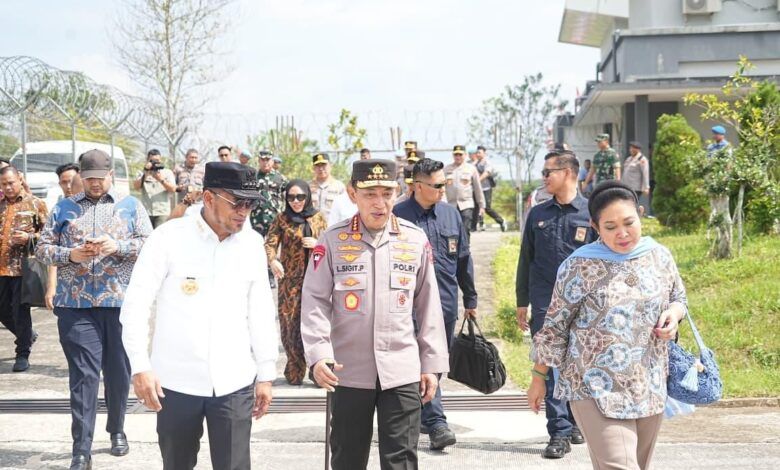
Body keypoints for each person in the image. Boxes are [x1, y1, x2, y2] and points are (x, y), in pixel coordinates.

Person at [120, 162, 278, 470]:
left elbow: (260, 309)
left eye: (250, 203)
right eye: (237, 202)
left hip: (235, 382)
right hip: (176, 383)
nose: (244, 211)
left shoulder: (252, 244)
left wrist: (267, 372)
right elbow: (136, 305)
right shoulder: (168, 239)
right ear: (208, 198)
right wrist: (140, 366)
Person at [528, 180, 688, 470]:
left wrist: (674, 316)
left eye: (629, 222)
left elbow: (678, 297)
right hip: (593, 385)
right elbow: (554, 327)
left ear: (640, 213)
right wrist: (538, 377)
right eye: (611, 226)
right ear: (594, 226)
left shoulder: (658, 255)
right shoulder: (579, 265)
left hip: (648, 382)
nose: (623, 234)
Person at [301, 159, 449, 470]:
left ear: (399, 193)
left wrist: (432, 364)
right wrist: (318, 355)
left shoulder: (414, 239)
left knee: (401, 461)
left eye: (387, 193)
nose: (379, 203)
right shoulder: (332, 240)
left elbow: (428, 304)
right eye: (370, 194)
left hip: (402, 370)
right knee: (347, 458)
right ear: (353, 194)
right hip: (348, 370)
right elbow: (314, 300)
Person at [36, 149, 152, 470]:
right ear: (80, 178)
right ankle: (81, 449)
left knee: (118, 373)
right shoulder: (63, 208)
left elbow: (150, 243)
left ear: (110, 175)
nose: (95, 184)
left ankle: (117, 429)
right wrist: (70, 255)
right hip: (76, 305)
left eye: (100, 179)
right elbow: (42, 248)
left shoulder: (130, 207)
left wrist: (119, 246)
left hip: (119, 304)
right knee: (84, 376)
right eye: (89, 179)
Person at [516, 150, 597, 459]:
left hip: (584, 305)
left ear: (568, 173)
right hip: (544, 302)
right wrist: (521, 300)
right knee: (548, 366)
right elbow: (527, 259)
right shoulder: (538, 214)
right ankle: (559, 431)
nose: (544, 177)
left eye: (549, 171)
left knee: (580, 364)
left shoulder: (591, 212)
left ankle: (576, 420)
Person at [393, 157, 478, 451]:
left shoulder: (451, 215)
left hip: (444, 304)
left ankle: (422, 414)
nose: (443, 189)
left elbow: (463, 258)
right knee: (421, 361)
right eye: (438, 185)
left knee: (437, 362)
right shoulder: (397, 216)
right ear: (418, 185)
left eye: (446, 183)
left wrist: (471, 297)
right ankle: (437, 422)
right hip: (407, 307)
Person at [265, 180, 327, 385]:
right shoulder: (282, 219)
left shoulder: (318, 219)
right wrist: (273, 260)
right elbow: (270, 242)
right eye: (291, 197)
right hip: (290, 283)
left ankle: (318, 368)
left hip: (316, 280)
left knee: (315, 324)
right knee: (290, 325)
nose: (296, 201)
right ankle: (294, 366)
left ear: (308, 196)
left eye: (300, 197)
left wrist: (317, 244)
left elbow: (331, 246)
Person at [0, 166, 47, 372]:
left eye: (11, 182)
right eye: (4, 184)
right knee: (3, 311)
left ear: (20, 179)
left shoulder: (36, 204)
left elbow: (49, 236)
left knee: (20, 312)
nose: (8, 187)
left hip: (22, 269)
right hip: (1, 268)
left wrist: (30, 238)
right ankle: (27, 335)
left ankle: (22, 353)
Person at [45, 164, 84, 310]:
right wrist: (51, 286)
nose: (68, 186)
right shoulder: (59, 210)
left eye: (71, 181)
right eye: (64, 182)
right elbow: (52, 250)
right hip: (67, 283)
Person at [444, 145, 484, 241]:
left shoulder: (471, 169)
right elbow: (442, 187)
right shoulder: (446, 169)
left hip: (466, 204)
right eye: (456, 154)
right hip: (451, 205)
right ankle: (453, 253)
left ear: (465, 155)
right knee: (451, 231)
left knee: (465, 229)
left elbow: (478, 188)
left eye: (460, 154)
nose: (458, 157)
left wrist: (481, 205)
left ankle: (465, 252)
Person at [134, 149, 176, 228]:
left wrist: (161, 179)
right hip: (146, 212)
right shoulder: (141, 172)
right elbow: (136, 187)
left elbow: (173, 189)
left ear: (161, 160)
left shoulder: (167, 172)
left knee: (160, 237)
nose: (154, 163)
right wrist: (146, 173)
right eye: (152, 161)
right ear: (147, 160)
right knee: (146, 237)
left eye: (157, 161)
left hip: (162, 212)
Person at [474, 145, 507, 232]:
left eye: (479, 152)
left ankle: (501, 221)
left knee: (487, 208)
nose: (477, 154)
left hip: (486, 188)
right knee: (476, 207)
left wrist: (477, 181)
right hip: (477, 189)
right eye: (477, 152)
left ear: (484, 153)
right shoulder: (475, 163)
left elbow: (486, 173)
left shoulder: (487, 162)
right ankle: (479, 225)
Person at [310, 152, 346, 221]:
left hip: (333, 228)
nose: (321, 169)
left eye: (324, 165)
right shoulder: (308, 187)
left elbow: (344, 210)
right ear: (313, 168)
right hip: (312, 228)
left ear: (330, 166)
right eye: (317, 165)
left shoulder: (339, 187)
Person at [622, 141, 650, 213]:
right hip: (627, 186)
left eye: (633, 148)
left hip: (636, 187)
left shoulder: (642, 159)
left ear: (638, 149)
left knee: (632, 203)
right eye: (630, 148)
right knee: (627, 202)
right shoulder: (629, 159)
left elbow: (645, 173)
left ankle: (636, 215)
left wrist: (646, 187)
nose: (631, 150)